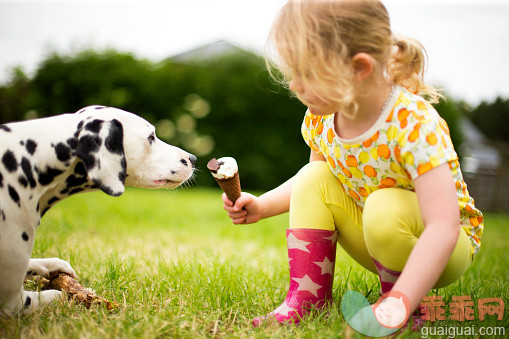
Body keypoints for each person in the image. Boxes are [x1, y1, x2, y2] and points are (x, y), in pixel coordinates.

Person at [220, 0, 483, 328]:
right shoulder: (323, 117)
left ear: (359, 68)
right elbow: (314, 186)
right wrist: (261, 206)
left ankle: (405, 304)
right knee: (314, 174)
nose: (293, 85)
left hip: (442, 247)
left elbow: (444, 226)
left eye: (306, 73)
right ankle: (307, 299)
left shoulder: (413, 123)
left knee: (384, 204)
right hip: (378, 237)